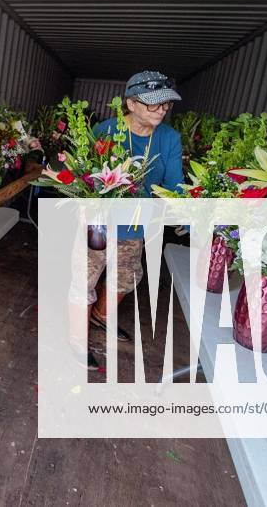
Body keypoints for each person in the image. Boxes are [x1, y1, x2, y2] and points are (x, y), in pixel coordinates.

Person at [85, 71, 184, 352]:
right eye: (154, 103)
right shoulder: (104, 131)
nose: (162, 109)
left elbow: (174, 184)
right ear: (131, 104)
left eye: (166, 103)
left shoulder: (169, 139)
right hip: (100, 223)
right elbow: (85, 179)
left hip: (137, 223)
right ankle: (77, 337)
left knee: (126, 275)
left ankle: (100, 317)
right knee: (86, 276)